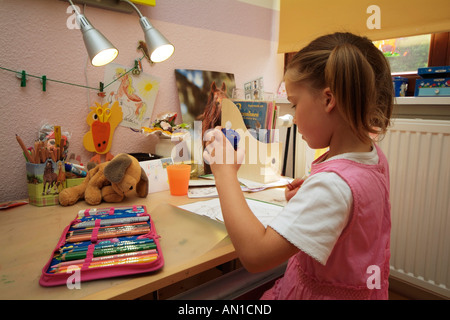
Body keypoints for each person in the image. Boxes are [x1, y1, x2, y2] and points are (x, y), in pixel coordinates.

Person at [203, 32, 393, 300]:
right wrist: (316, 197)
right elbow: (356, 210)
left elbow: (256, 256)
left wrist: (223, 172)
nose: (291, 117)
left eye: (294, 103)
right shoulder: (371, 157)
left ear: (328, 100)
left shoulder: (334, 186)